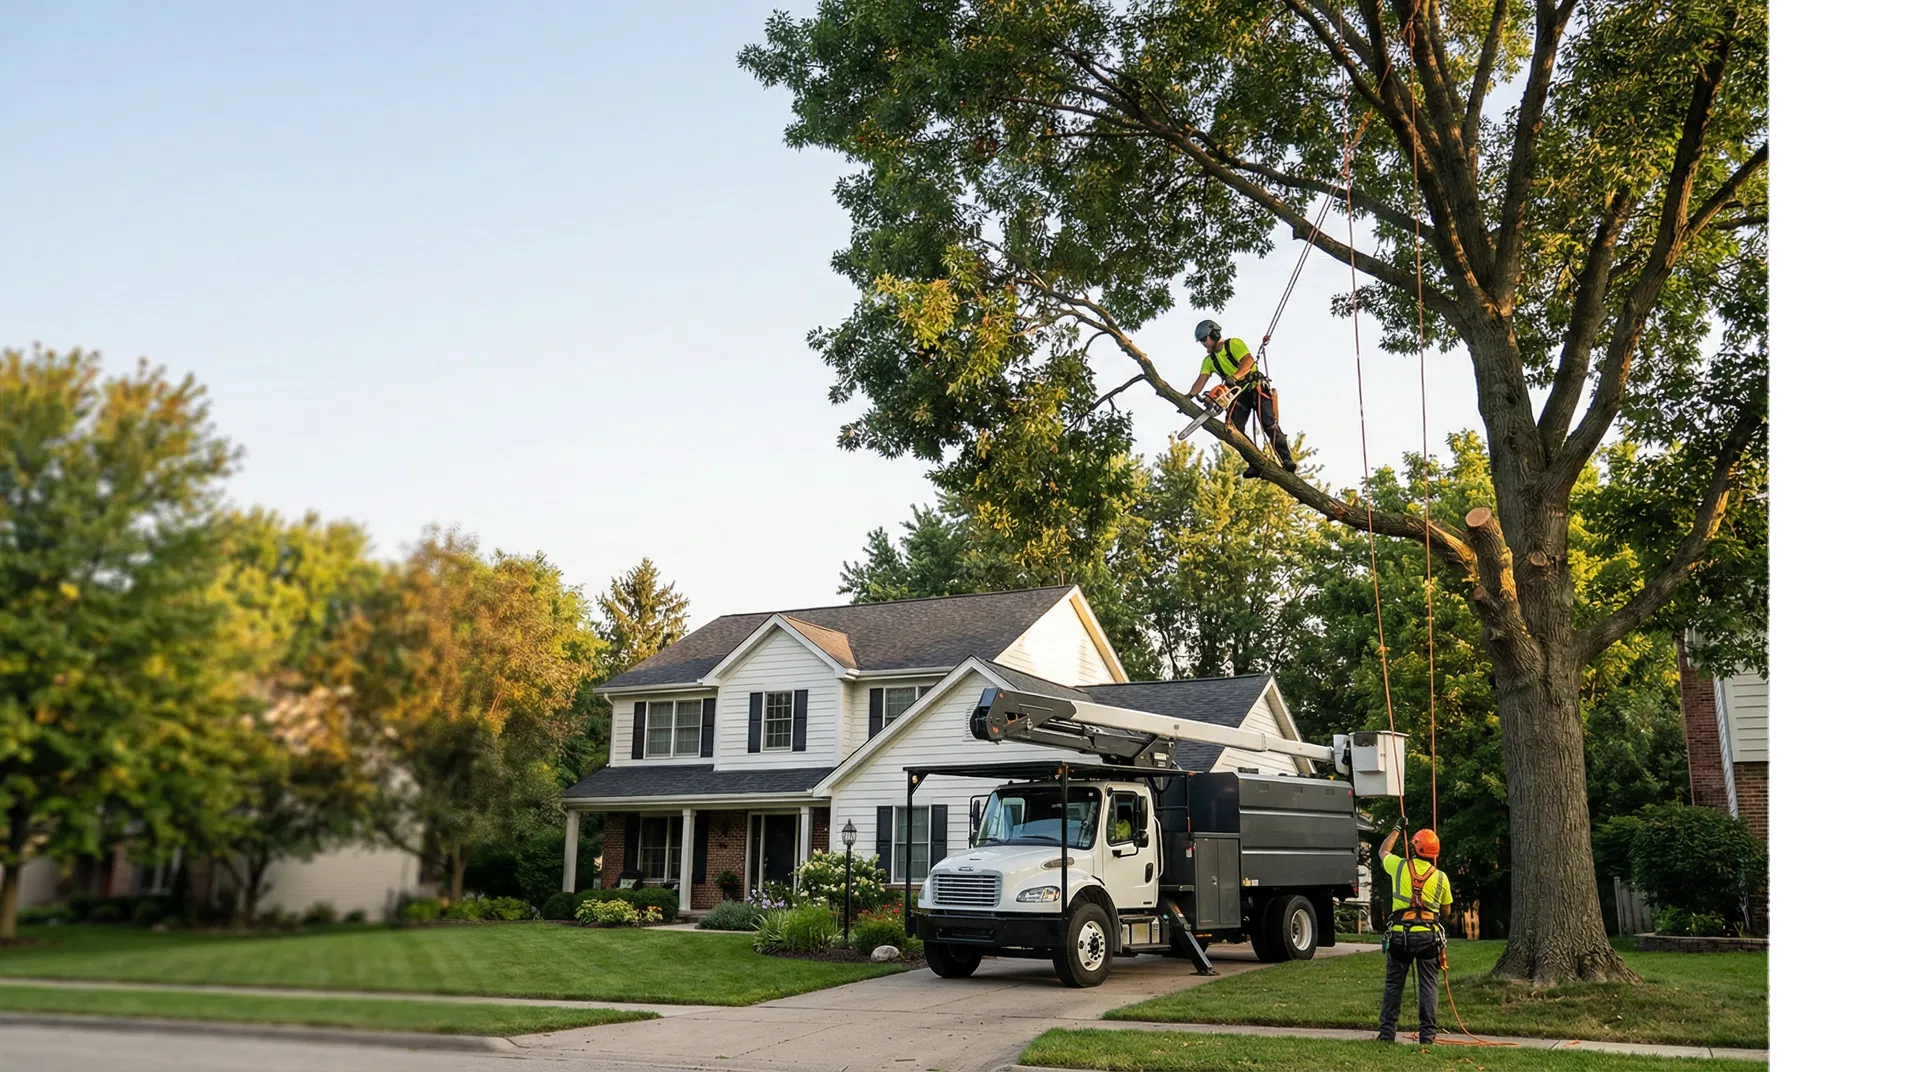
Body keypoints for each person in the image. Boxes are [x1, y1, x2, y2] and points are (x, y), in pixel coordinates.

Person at [1375, 821, 1453, 1045]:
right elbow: (1446, 910)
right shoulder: (1441, 877)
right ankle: (1427, 1037)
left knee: (1394, 986)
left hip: (1400, 935)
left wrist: (1397, 829)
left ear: (1416, 848)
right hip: (1429, 937)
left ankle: (1387, 1035)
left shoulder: (1399, 867)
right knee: (1429, 985)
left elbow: (1383, 851)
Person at [1186, 319, 1298, 475]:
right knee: (1234, 430)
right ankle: (1255, 462)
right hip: (1237, 396)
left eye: (1205, 339)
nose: (1204, 343)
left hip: (1255, 387)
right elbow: (1202, 379)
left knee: (1269, 423)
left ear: (1214, 334)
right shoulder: (1209, 361)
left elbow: (1248, 361)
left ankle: (1286, 459)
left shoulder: (1234, 344)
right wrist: (1190, 395)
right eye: (1202, 341)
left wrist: (1235, 377)